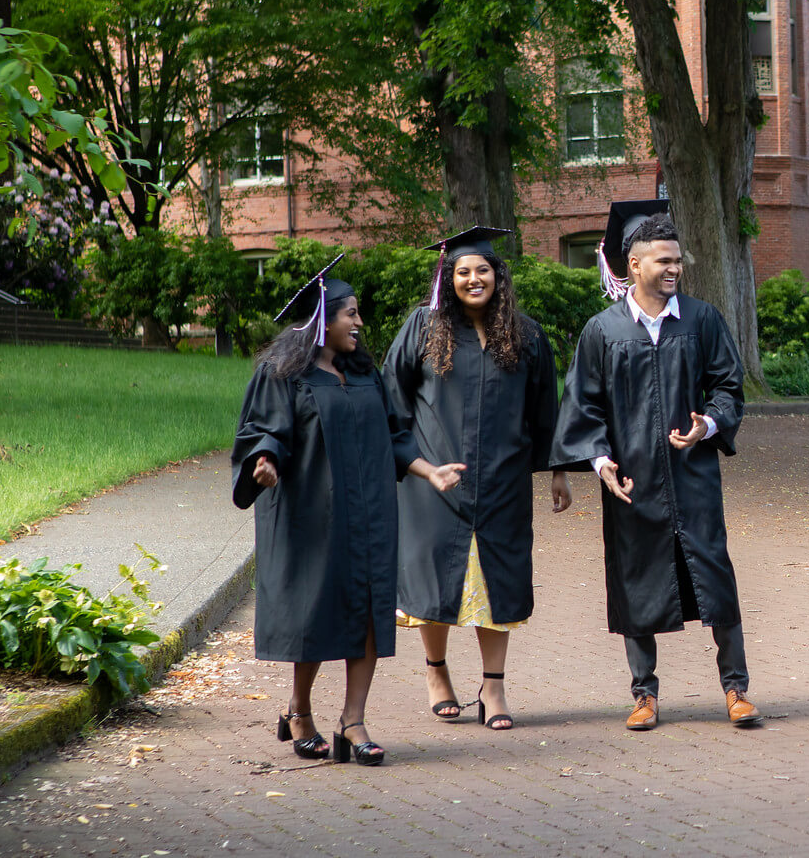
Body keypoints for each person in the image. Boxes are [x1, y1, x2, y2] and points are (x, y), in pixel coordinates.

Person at [232, 257, 466, 766]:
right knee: (315, 612)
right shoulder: (283, 375)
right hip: (311, 515)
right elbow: (262, 431)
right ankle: (299, 710)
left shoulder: (363, 374)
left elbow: (394, 435)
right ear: (322, 319)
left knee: (368, 613)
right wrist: (266, 461)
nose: (359, 323)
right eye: (350, 314)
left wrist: (430, 472)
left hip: (371, 514)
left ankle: (353, 721)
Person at [552, 200, 761, 730]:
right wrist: (601, 465)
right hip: (632, 479)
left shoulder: (702, 319)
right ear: (633, 267)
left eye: (678, 261)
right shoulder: (603, 331)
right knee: (635, 578)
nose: (673, 269)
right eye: (663, 260)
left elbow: (728, 388)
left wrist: (707, 426)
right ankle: (643, 695)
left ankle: (736, 690)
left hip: (693, 477)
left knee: (715, 577)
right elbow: (584, 406)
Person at [384, 226, 571, 732]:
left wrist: (557, 470)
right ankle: (436, 672)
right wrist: (407, 460)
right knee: (433, 578)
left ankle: (494, 685)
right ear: (449, 278)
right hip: (432, 483)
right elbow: (392, 401)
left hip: (503, 481)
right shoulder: (423, 330)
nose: (473, 279)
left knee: (497, 580)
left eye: (482, 270)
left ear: (498, 276)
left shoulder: (526, 335)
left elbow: (543, 410)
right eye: (463, 271)